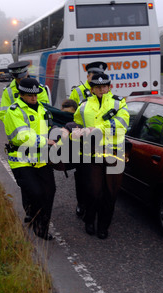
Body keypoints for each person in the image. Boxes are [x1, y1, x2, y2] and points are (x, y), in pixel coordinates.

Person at [71, 73, 129, 239]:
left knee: (111, 193)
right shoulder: (83, 106)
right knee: (94, 191)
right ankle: (89, 220)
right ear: (92, 89)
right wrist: (75, 132)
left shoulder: (119, 102)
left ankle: (103, 226)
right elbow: (77, 124)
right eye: (98, 87)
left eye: (104, 86)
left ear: (109, 87)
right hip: (92, 153)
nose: (102, 90)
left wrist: (96, 129)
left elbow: (122, 123)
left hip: (114, 153)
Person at [3, 78, 56, 240]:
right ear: (21, 94)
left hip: (41, 158)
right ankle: (33, 217)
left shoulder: (43, 109)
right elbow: (22, 135)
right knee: (35, 192)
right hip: (21, 159)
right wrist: (44, 141)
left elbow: (50, 128)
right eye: (29, 95)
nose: (34, 98)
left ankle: (42, 227)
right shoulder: (14, 111)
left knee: (49, 192)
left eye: (36, 95)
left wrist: (59, 135)